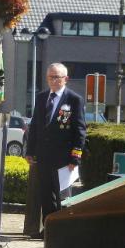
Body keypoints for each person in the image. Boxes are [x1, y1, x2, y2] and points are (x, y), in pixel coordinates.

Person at [24, 62, 87, 225]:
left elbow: (80, 130)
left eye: (56, 77)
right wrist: (30, 150)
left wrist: (75, 158)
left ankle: (61, 229)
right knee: (46, 194)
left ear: (66, 79)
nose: (53, 81)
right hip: (44, 155)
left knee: (62, 196)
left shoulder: (74, 100)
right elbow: (35, 125)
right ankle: (48, 229)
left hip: (63, 158)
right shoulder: (42, 97)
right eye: (50, 77)